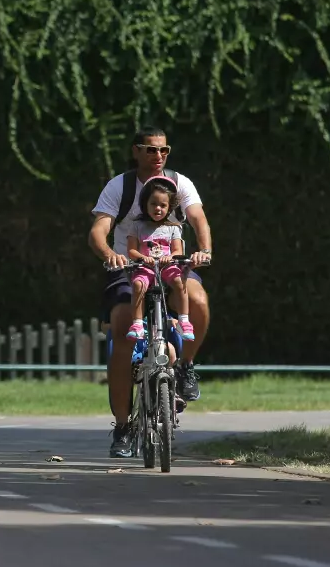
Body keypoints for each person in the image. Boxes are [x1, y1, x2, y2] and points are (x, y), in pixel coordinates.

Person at [88, 126, 213, 459]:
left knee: (198, 300)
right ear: (135, 151)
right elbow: (99, 230)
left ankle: (184, 365)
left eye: (164, 150)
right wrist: (109, 254)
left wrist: (204, 249)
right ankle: (122, 425)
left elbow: (198, 217)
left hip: (171, 267)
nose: (158, 156)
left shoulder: (179, 183)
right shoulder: (121, 186)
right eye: (150, 149)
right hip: (130, 270)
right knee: (123, 330)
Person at [125, 175, 195, 342]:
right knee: (137, 284)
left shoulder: (173, 228)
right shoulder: (137, 226)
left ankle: (184, 321)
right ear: (145, 205)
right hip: (146, 266)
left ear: (169, 208)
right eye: (153, 204)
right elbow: (132, 251)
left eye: (163, 205)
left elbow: (177, 250)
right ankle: (137, 324)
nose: (158, 209)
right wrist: (143, 257)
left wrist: (169, 257)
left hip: (166, 266)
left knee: (179, 281)